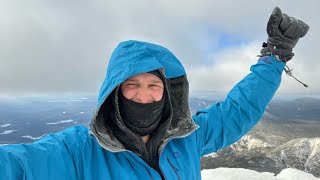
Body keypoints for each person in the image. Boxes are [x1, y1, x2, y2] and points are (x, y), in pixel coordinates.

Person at [0, 7, 309, 180]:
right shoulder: (79, 151)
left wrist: (275, 57)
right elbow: (20, 164)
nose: (144, 97)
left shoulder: (187, 138)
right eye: (131, 86)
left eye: (154, 86)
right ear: (114, 93)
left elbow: (238, 109)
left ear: (167, 93)